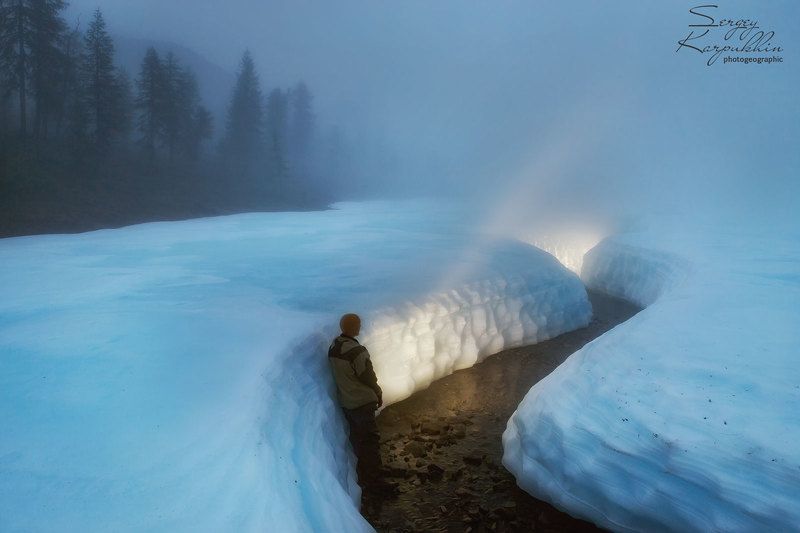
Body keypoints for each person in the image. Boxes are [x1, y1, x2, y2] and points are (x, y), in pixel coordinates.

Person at [328, 313, 387, 492]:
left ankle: (363, 472)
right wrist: (377, 392)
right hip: (361, 401)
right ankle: (375, 481)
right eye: (359, 324)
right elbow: (367, 376)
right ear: (354, 328)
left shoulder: (334, 347)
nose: (360, 327)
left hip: (347, 402)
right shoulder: (357, 351)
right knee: (370, 440)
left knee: (358, 438)